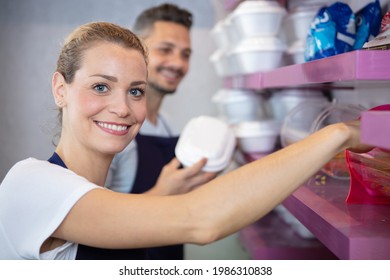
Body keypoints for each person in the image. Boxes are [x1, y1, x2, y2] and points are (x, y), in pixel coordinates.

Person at [0, 21, 369, 260]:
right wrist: (341, 133)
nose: (122, 108)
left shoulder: (93, 198)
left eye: (136, 91)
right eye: (101, 86)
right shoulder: (29, 183)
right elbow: (201, 220)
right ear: (60, 90)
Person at [105, 4, 216, 260]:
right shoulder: (113, 127)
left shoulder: (171, 126)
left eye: (185, 54)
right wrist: (162, 194)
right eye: (165, 50)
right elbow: (86, 224)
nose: (177, 63)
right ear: (137, 50)